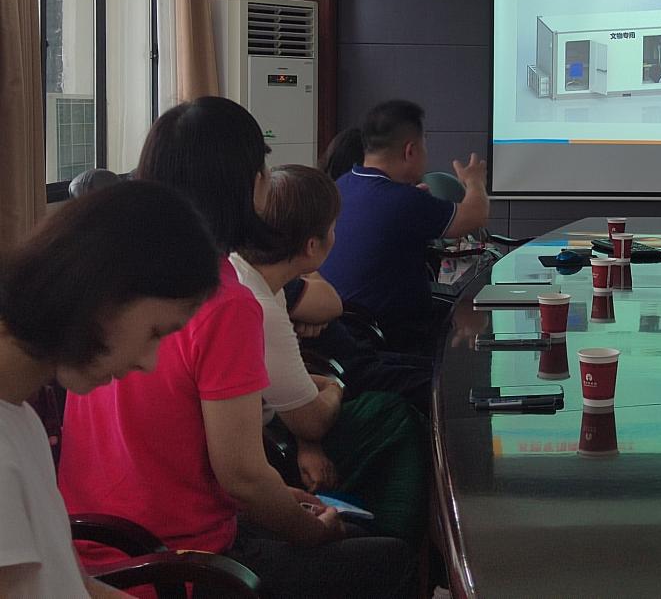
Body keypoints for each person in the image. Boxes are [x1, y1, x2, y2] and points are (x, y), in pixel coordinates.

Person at [57, 97, 416, 599]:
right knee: (390, 559)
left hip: (95, 552)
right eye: (263, 169)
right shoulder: (224, 299)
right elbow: (242, 477)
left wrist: (281, 498)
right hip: (181, 567)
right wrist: (311, 531)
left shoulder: (112, 272)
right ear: (246, 185)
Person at [0, 181, 219, 598]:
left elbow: (75, 585)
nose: (149, 363)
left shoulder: (22, 415)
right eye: (155, 332)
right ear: (101, 292)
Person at [232, 164, 427, 544]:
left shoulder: (255, 278)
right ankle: (394, 545)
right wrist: (333, 387)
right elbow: (312, 421)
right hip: (268, 449)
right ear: (311, 246)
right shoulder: (258, 305)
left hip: (277, 429)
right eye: (334, 228)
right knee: (399, 418)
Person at [319, 99, 489, 340]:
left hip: (342, 331)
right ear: (411, 151)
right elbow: (475, 216)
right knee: (476, 315)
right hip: (392, 337)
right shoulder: (403, 200)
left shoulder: (339, 186)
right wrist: (475, 181)